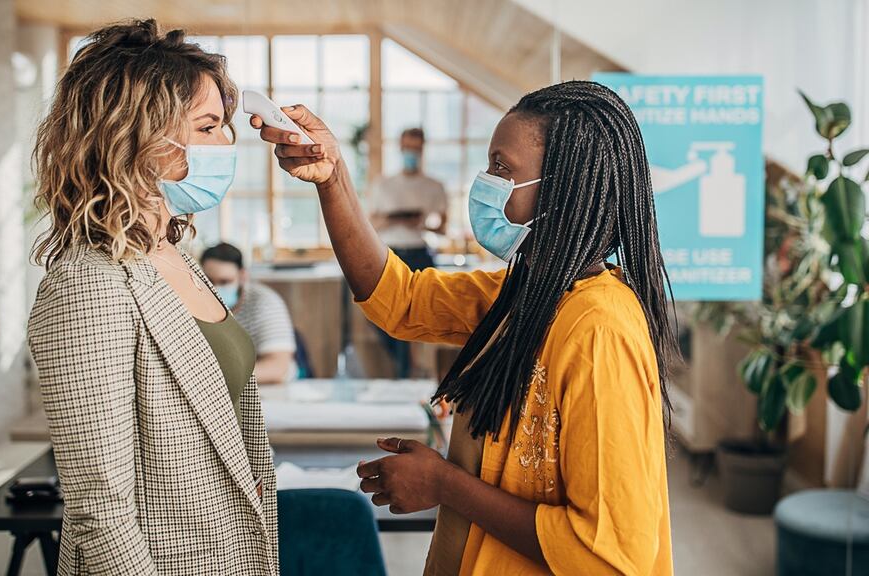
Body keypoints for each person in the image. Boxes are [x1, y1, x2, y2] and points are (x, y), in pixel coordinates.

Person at [251, 80, 676, 575]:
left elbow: (608, 554)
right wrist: (332, 178)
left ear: (564, 189)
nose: (486, 182)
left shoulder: (600, 329)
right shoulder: (525, 294)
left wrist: (445, 484)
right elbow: (399, 298)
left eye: (503, 169)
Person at [28, 20, 277, 576]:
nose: (227, 144)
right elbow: (102, 514)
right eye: (208, 126)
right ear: (137, 135)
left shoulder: (173, 254)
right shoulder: (86, 285)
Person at [368, 128, 449, 377]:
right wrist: (394, 219)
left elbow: (443, 228)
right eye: (407, 147)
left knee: (419, 316)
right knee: (381, 315)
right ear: (400, 148)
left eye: (416, 148)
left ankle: (413, 371)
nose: (411, 153)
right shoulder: (383, 185)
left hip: (420, 254)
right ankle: (403, 367)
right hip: (390, 254)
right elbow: (370, 224)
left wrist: (421, 223)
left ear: (422, 149)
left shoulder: (434, 186)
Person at [201, 242, 298, 384]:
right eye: (208, 282)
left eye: (225, 281)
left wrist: (215, 379)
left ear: (242, 276)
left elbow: (278, 367)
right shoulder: (197, 304)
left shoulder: (265, 303)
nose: (215, 289)